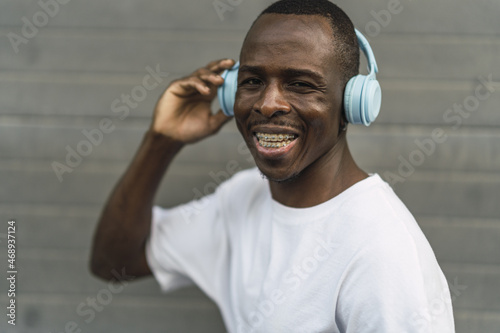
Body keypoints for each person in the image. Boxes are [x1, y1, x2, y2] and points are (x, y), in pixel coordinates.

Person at [90, 0, 455, 332]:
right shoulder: (241, 198)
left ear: (352, 103)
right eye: (253, 81)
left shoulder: (382, 250)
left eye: (299, 84)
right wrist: (161, 142)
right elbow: (113, 262)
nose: (268, 104)